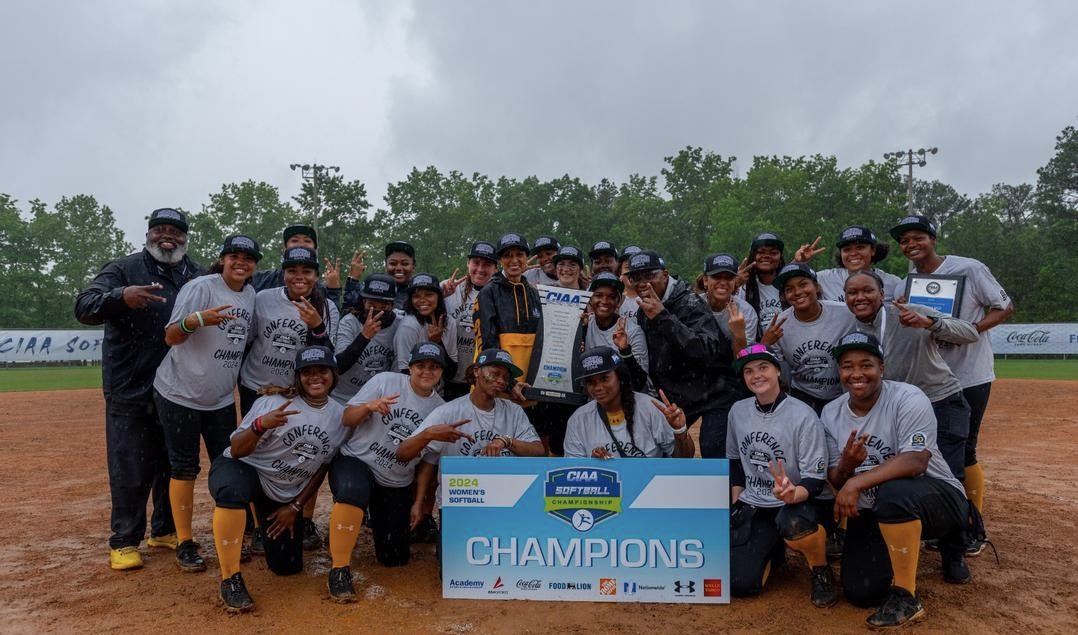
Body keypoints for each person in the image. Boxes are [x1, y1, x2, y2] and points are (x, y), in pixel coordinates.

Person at [75, 207, 204, 570]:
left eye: (176, 231)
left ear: (185, 237)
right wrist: (120, 296)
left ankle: (164, 530)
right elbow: (84, 307)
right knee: (130, 465)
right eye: (160, 229)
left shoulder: (195, 274)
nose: (168, 236)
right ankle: (124, 540)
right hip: (130, 386)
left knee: (172, 463)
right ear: (148, 234)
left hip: (178, 388)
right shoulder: (124, 269)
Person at [823, 332, 974, 628]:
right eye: (847, 366)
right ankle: (896, 551)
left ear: (882, 368)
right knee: (861, 591)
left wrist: (857, 482)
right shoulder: (830, 413)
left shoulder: (908, 397)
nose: (856, 373)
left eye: (866, 364)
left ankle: (908, 593)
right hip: (875, 509)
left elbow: (916, 461)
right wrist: (847, 467)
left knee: (894, 493)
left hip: (939, 497)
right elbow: (837, 481)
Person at [890, 214, 1013, 555]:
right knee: (932, 450)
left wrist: (966, 328)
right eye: (905, 241)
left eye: (918, 237)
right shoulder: (906, 283)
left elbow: (1004, 307)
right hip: (931, 380)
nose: (911, 245)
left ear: (933, 238)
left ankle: (972, 526)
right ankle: (938, 519)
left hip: (969, 375)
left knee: (965, 449)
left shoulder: (969, 268)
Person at [207, 345, 347, 612]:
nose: (315, 377)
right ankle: (230, 578)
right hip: (245, 469)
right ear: (297, 377)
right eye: (307, 372)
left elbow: (321, 468)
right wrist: (261, 426)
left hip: (282, 491)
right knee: (231, 491)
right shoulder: (273, 403)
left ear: (334, 374)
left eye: (322, 371)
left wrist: (296, 507)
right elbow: (237, 450)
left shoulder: (340, 416)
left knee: (287, 568)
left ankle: (264, 527)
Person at [153, 234, 259, 572]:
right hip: (180, 392)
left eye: (248, 258)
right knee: (184, 466)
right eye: (234, 256)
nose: (241, 263)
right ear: (223, 258)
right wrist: (197, 319)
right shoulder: (202, 287)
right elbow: (170, 336)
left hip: (220, 398)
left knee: (229, 464)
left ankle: (234, 534)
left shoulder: (252, 294)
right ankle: (185, 542)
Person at [324, 343, 448, 602]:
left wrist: (418, 503)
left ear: (441, 372)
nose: (427, 371)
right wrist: (369, 407)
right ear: (410, 367)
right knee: (353, 491)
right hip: (357, 461)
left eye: (434, 367)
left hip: (395, 479)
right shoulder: (385, 381)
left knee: (395, 558)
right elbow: (347, 418)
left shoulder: (440, 410)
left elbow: (427, 463)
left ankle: (368, 519)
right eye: (421, 365)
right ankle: (339, 569)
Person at [401, 348, 546, 556]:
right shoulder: (449, 411)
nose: (501, 380)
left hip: (507, 502)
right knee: (454, 572)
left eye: (505, 377)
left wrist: (506, 440)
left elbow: (539, 451)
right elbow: (405, 453)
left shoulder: (513, 411)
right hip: (461, 505)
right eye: (495, 373)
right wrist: (429, 434)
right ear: (477, 371)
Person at [725, 344, 837, 607]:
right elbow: (735, 461)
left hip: (800, 501)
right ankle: (774, 553)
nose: (756, 375)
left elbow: (815, 479)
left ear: (778, 370)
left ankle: (820, 570)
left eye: (763, 367)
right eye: (749, 371)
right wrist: (737, 500)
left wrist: (792, 493)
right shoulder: (738, 411)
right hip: (758, 503)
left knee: (793, 523)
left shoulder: (803, 415)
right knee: (741, 583)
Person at [843, 270, 978, 479]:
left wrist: (930, 323)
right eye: (852, 292)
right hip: (896, 411)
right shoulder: (850, 331)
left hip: (939, 402)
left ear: (881, 293)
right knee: (906, 474)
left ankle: (961, 510)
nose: (860, 297)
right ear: (845, 298)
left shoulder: (909, 312)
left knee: (945, 476)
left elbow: (970, 333)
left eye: (867, 290)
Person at [625, 249, 740, 458]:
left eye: (650, 275)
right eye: (636, 277)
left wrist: (663, 317)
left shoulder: (691, 302)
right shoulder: (642, 309)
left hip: (715, 393)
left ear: (665, 275)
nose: (643, 283)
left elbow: (705, 351)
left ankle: (727, 490)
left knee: (713, 449)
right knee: (667, 453)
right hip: (677, 396)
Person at [239, 246, 339, 415]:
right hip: (255, 387)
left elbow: (328, 356)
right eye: (292, 271)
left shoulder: (327, 308)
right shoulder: (264, 298)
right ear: (283, 274)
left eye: (307, 271)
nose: (299, 277)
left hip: (297, 392)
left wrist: (317, 326)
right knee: (254, 438)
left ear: (316, 276)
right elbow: (247, 340)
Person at [563, 346, 694, 459]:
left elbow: (685, 458)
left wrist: (680, 431)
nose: (598, 387)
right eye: (590, 382)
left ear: (620, 377)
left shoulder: (651, 408)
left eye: (604, 378)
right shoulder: (578, 420)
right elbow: (573, 473)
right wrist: (594, 466)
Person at [761, 263, 857, 415]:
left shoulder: (846, 314)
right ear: (784, 295)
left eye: (803, 284)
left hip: (845, 394)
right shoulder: (778, 325)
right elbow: (768, 368)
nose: (797, 292)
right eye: (789, 289)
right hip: (803, 395)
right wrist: (765, 343)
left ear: (817, 287)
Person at [473, 233, 542, 391]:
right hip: (499, 384)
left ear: (527, 257)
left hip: (529, 385)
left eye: (520, 254)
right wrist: (508, 384)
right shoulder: (487, 292)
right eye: (507, 256)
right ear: (500, 260)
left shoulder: (535, 294)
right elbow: (487, 344)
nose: (514, 260)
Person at [331, 273, 401, 405]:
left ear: (392, 305)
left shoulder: (400, 323)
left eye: (384, 305)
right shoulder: (350, 322)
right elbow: (338, 366)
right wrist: (364, 337)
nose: (377, 311)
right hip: (343, 398)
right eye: (372, 304)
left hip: (380, 399)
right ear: (364, 302)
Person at [443, 241, 498, 399]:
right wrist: (441, 295)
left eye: (487, 264)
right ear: (468, 263)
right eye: (476, 263)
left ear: (495, 268)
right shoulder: (449, 288)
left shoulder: (499, 295)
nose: (480, 269)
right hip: (449, 377)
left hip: (481, 380)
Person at [791, 226, 903, 302]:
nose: (853, 253)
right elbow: (786, 282)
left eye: (860, 247)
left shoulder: (894, 283)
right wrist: (798, 263)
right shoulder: (825, 278)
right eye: (847, 249)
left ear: (873, 250)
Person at [583, 272, 649, 390]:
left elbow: (640, 382)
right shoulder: (585, 325)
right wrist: (581, 330)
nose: (605, 301)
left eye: (611, 297)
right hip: (595, 395)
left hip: (628, 396)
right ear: (589, 300)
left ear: (618, 302)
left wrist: (625, 351)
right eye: (598, 295)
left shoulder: (633, 331)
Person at [251, 225, 344, 307]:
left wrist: (333, 289)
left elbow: (332, 319)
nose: (301, 244)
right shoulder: (262, 280)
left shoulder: (319, 291)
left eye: (307, 241)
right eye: (294, 240)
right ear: (284, 248)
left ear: (314, 250)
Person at [394, 272, 457, 377]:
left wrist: (438, 342)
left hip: (437, 390)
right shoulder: (408, 326)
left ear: (439, 297)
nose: (422, 300)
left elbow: (451, 372)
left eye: (429, 294)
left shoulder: (449, 322)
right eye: (416, 296)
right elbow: (405, 373)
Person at [700, 252, 759, 353]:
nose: (723, 282)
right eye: (717, 276)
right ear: (705, 280)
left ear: (735, 281)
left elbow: (743, 360)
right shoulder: (692, 305)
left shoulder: (746, 312)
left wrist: (739, 335)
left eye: (729, 277)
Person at [739, 232, 786, 338]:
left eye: (773, 253)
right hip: (757, 350)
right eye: (760, 252)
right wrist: (734, 284)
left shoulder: (790, 287)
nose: (766, 256)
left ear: (780, 258)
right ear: (752, 256)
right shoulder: (743, 288)